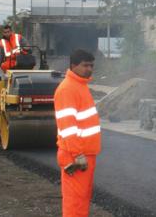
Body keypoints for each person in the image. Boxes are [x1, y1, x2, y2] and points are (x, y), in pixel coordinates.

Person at [54, 49, 101, 217]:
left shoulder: (81, 85)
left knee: (82, 198)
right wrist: (77, 155)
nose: (89, 69)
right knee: (74, 200)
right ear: (73, 66)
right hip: (75, 156)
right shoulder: (68, 89)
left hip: (85, 154)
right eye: (85, 65)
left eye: (91, 65)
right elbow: (68, 127)